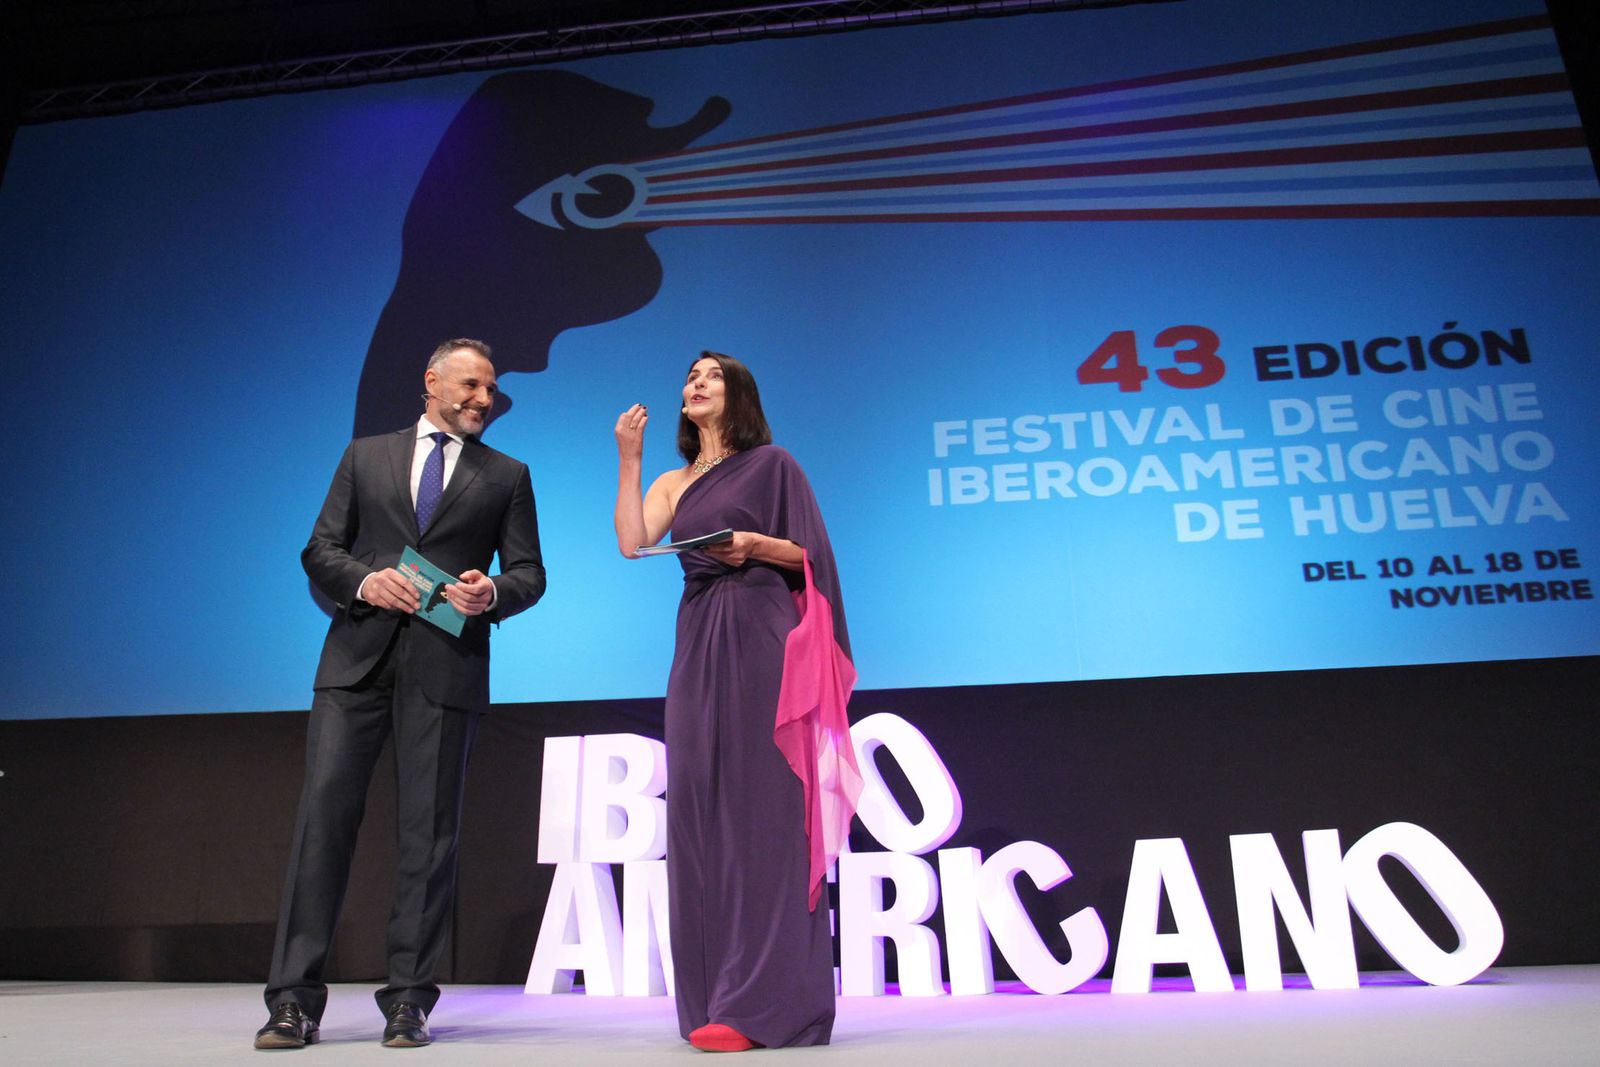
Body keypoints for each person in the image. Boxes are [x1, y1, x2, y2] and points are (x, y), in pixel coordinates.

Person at [255, 339, 546, 1050]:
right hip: (356, 660)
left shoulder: (507, 474)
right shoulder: (364, 455)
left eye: (491, 389)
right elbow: (321, 549)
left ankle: (409, 1001)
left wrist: (491, 592)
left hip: (446, 665)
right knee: (323, 822)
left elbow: (530, 573)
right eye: (473, 384)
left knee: (429, 836)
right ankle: (292, 1000)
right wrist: (362, 580)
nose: (484, 398)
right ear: (432, 381)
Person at [613, 351, 861, 1052]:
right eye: (689, 375)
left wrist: (754, 543)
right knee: (699, 806)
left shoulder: (774, 464)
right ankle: (713, 994)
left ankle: (772, 1003)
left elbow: (811, 553)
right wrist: (630, 459)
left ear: (738, 393)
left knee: (763, 811)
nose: (695, 383)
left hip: (760, 634)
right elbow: (634, 542)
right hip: (697, 640)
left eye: (711, 375)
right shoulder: (673, 478)